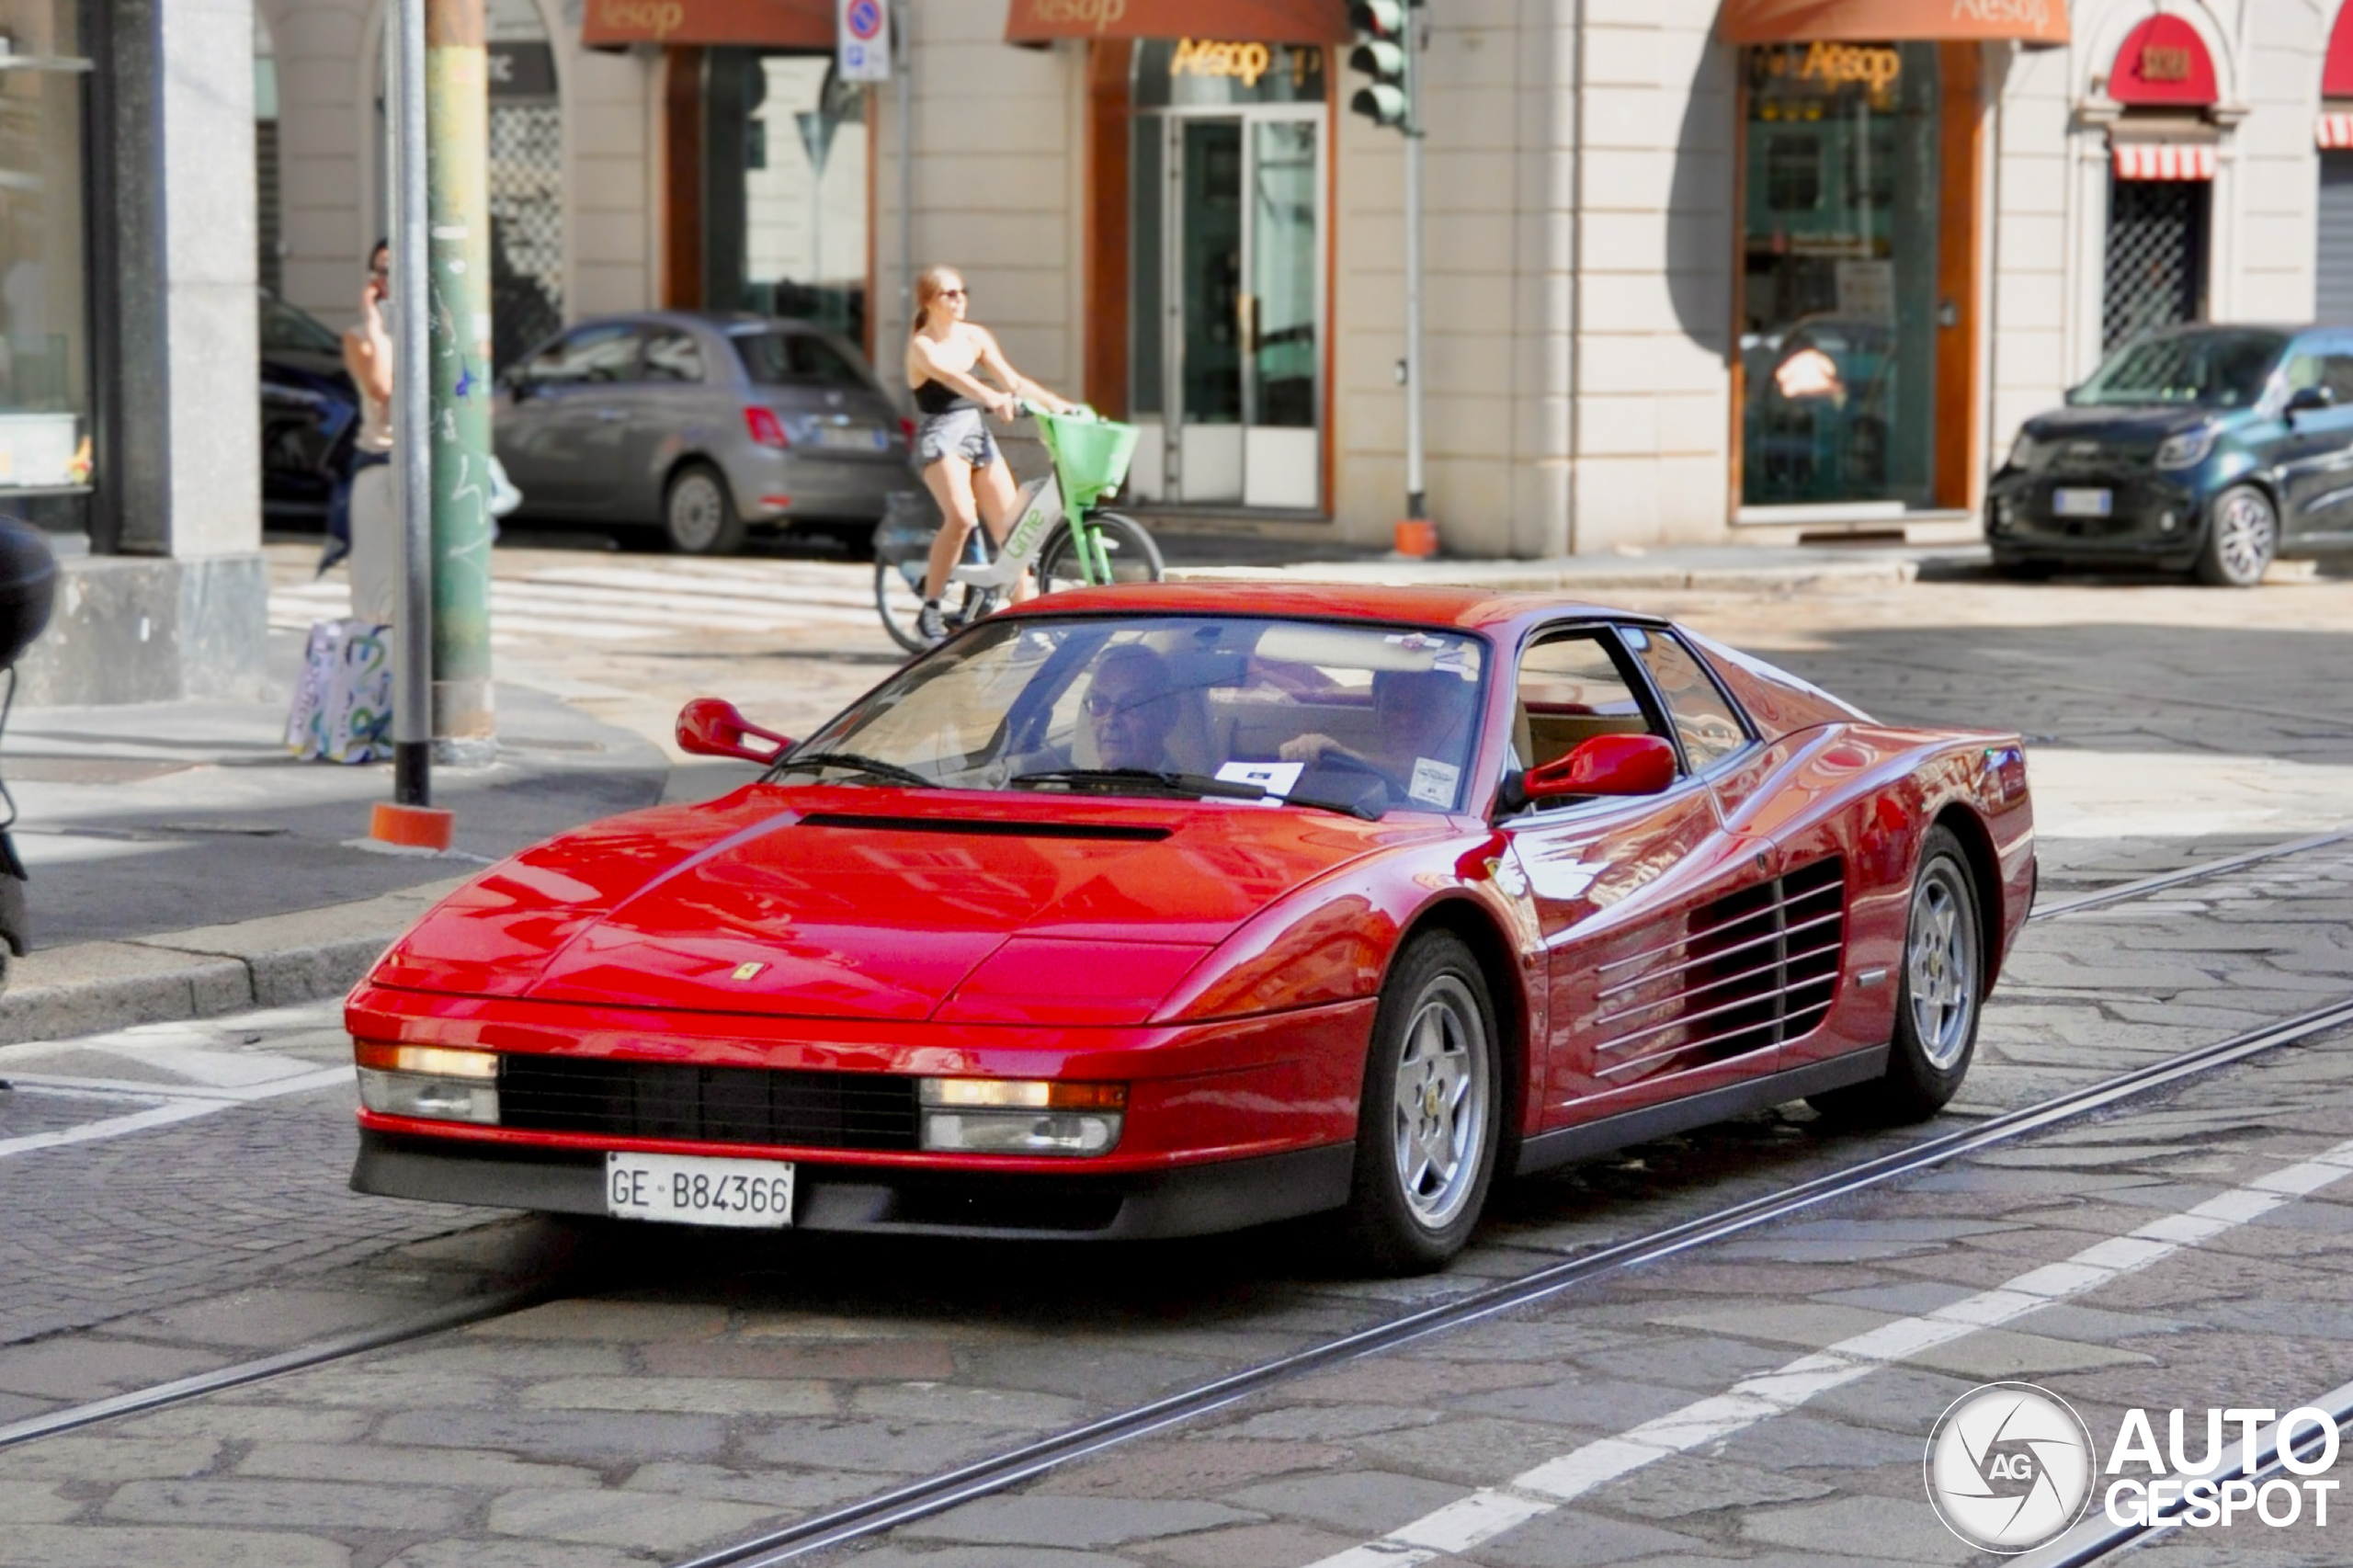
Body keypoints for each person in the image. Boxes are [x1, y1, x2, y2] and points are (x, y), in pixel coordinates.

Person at [904, 265, 1080, 644]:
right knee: (962, 517)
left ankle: (1030, 629)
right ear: (929, 302)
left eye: (961, 291)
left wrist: (1061, 406)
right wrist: (992, 398)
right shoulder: (923, 346)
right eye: (949, 294)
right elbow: (954, 378)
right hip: (942, 436)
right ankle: (930, 609)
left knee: (1015, 533)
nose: (959, 299)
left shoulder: (975, 336)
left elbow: (1013, 381)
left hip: (976, 433)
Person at [1279, 667, 1474, 802]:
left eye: (1423, 707)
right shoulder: (1348, 770)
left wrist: (1347, 756)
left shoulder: (1473, 773)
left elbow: (1437, 780)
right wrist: (1302, 753)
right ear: (1377, 709)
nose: (1405, 720)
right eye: (1394, 707)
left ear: (1454, 715)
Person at [337, 241, 398, 624]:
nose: (385, 279)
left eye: (394, 270)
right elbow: (382, 390)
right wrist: (376, 325)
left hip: (433, 476)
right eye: (379, 270)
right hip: (380, 465)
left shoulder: (443, 332)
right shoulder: (360, 337)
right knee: (375, 596)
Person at [1083, 644, 1180, 773]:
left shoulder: (1192, 791)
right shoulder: (1064, 787)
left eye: (1132, 704)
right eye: (1100, 703)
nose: (1110, 720)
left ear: (1168, 716)